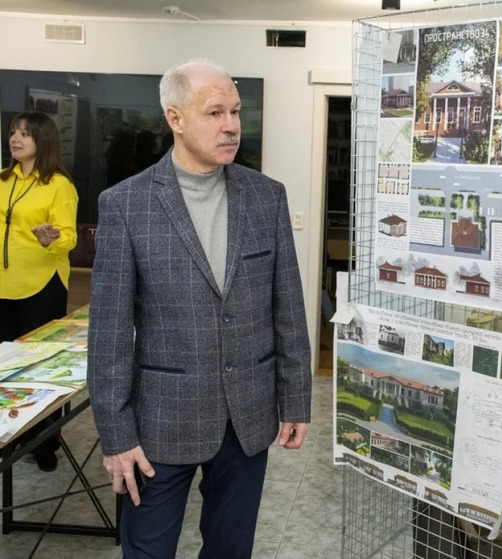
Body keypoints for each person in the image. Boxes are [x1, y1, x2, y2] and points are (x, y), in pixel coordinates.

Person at [87, 59, 312, 558]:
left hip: (247, 416)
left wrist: (296, 398)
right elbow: (108, 335)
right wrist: (116, 436)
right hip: (160, 423)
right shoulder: (126, 205)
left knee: (231, 550)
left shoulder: (266, 197)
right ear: (176, 118)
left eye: (235, 111)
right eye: (214, 112)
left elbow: (288, 308)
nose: (231, 125)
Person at [0, 111, 78, 471]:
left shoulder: (59, 185)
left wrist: (51, 239)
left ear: (42, 140)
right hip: (3, 285)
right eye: (13, 132)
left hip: (41, 284)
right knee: (6, 367)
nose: (15, 139)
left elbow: (70, 238)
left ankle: (44, 442)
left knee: (39, 368)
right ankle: (10, 435)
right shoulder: (3, 179)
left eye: (25, 134)